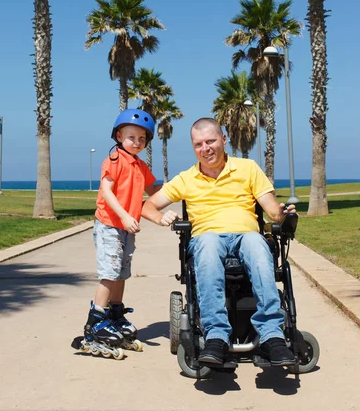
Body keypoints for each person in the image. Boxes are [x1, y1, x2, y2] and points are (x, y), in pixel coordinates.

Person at [142, 117, 297, 366]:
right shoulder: (186, 178)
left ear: (223, 140)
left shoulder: (247, 168)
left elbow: (271, 210)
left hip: (246, 234)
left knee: (258, 245)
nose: (206, 148)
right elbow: (147, 206)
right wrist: (161, 217)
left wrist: (282, 214)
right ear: (194, 148)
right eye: (198, 144)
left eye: (211, 141)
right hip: (207, 237)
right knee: (209, 244)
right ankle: (216, 335)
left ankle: (272, 336)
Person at [72, 109, 177, 356]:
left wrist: (183, 188)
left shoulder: (140, 165)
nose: (137, 142)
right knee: (109, 273)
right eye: (132, 137)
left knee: (121, 273)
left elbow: (155, 190)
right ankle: (96, 322)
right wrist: (124, 215)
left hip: (126, 229)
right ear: (119, 136)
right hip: (110, 224)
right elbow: (107, 192)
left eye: (142, 139)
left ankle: (115, 314)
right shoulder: (114, 160)